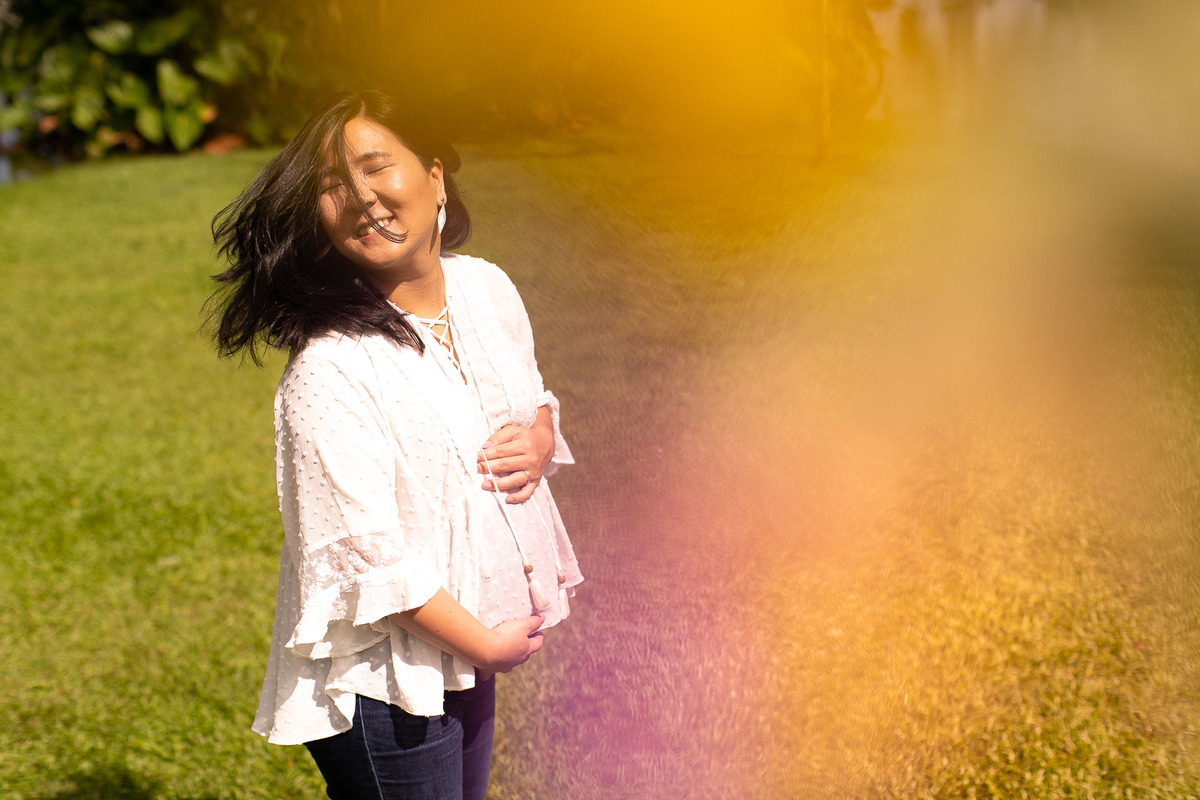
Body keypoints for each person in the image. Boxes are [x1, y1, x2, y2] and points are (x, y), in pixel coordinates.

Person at [207, 88, 582, 800]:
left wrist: (538, 437)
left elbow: (531, 393)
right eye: (331, 188)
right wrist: (485, 644)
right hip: (383, 680)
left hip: (463, 649)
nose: (361, 198)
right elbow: (360, 558)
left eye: (377, 167)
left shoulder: (486, 288)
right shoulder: (330, 368)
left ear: (434, 175)